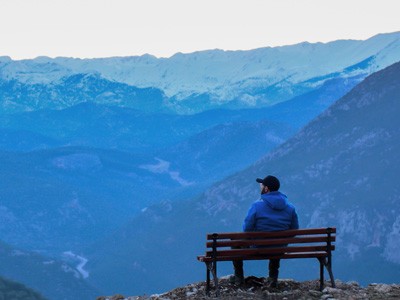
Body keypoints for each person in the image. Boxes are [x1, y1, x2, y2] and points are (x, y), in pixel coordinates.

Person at [230, 175, 299, 288]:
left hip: (258, 248)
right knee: (276, 243)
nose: (260, 188)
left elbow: (246, 229)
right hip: (279, 249)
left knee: (235, 243)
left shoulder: (257, 205)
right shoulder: (290, 208)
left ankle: (239, 278)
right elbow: (294, 230)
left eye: (261, 185)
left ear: (266, 189)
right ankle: (273, 278)